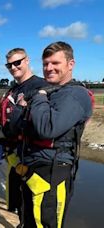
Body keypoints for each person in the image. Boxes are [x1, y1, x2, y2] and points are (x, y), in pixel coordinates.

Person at [19, 41, 92, 228]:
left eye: (55, 63)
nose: (48, 68)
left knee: (45, 223)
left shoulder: (75, 94)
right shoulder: (54, 92)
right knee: (29, 221)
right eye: (45, 64)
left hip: (52, 173)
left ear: (70, 64)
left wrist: (40, 96)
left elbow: (47, 128)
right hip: (34, 169)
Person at [0, 48, 48, 220]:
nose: (13, 67)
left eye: (17, 62)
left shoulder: (41, 86)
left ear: (27, 60)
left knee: (35, 206)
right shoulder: (11, 91)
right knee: (18, 202)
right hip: (13, 155)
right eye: (9, 65)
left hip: (32, 156)